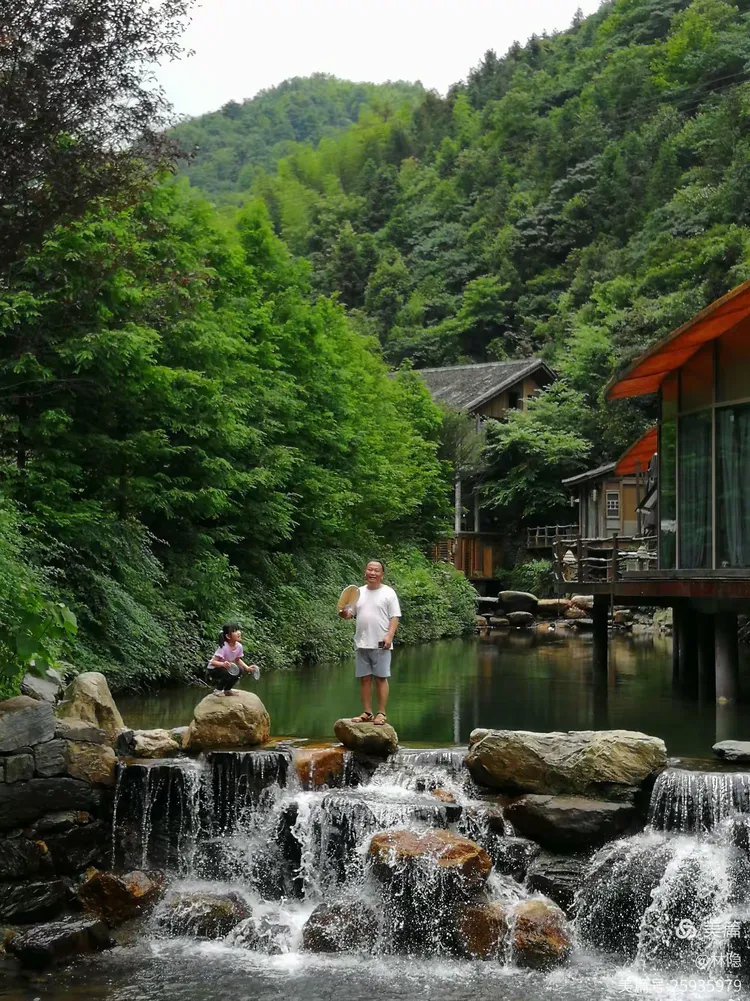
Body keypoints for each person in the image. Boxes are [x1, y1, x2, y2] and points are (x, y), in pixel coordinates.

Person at [338, 560, 401, 725]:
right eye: (370, 570)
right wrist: (344, 614)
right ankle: (367, 712)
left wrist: (389, 636)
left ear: (382, 574)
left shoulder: (389, 593)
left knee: (381, 678)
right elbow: (350, 613)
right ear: (365, 572)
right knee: (364, 679)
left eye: (376, 570)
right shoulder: (358, 592)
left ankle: (382, 713)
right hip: (361, 641)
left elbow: (394, 617)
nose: (373, 573)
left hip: (381, 642)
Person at [208, 622, 260, 696]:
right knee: (227, 672)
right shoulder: (224, 647)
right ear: (228, 636)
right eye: (234, 631)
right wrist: (222, 664)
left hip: (226, 667)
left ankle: (227, 690)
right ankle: (218, 690)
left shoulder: (239, 646)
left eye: (238, 630)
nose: (238, 633)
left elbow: (237, 660)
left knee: (240, 670)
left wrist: (247, 668)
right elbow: (212, 662)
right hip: (214, 669)